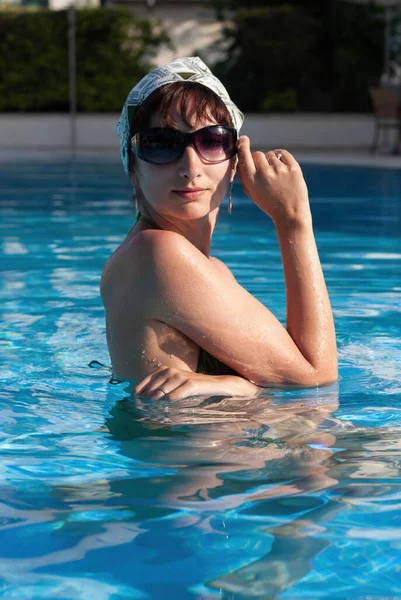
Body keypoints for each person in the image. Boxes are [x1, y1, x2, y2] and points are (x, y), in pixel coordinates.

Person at [100, 56, 338, 400]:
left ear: (234, 162)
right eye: (161, 144)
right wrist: (293, 221)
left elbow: (297, 369)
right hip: (205, 454)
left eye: (211, 141)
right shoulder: (158, 254)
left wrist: (238, 387)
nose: (190, 166)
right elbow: (318, 377)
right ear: (132, 166)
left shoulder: (207, 270)